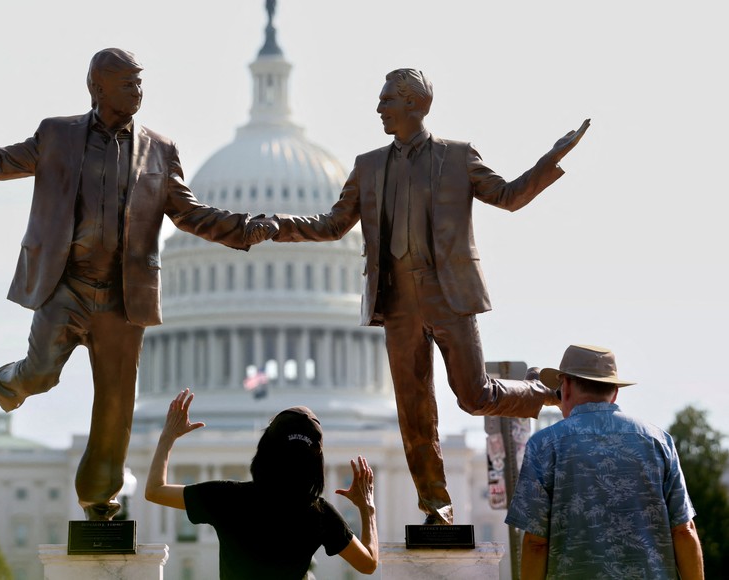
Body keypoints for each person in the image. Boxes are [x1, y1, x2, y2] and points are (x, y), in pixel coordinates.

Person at [0, 49, 273, 520]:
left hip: (124, 297)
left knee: (116, 405)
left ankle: (98, 495)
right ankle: (7, 381)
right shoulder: (57, 134)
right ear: (98, 88)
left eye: (141, 84)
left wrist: (244, 228)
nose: (138, 92)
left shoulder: (160, 150)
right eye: (128, 84)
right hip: (67, 284)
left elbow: (188, 213)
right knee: (41, 375)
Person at [246, 68, 589, 524]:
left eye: (388, 100)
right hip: (397, 301)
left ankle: (543, 390)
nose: (379, 108)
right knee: (414, 414)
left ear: (416, 105)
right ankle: (436, 505)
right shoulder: (368, 166)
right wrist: (278, 225)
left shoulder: (458, 157)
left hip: (448, 293)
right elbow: (332, 225)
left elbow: (507, 196)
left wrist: (550, 160)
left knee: (474, 396)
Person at [506, 344, 704, 579]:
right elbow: (684, 531)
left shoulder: (544, 445)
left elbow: (535, 543)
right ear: (615, 393)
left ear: (566, 387)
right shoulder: (658, 441)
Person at [145, 389, 379, 579]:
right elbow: (368, 564)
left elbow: (154, 491)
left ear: (265, 450)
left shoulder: (227, 497)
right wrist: (367, 509)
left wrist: (168, 436)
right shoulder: (319, 513)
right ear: (315, 462)